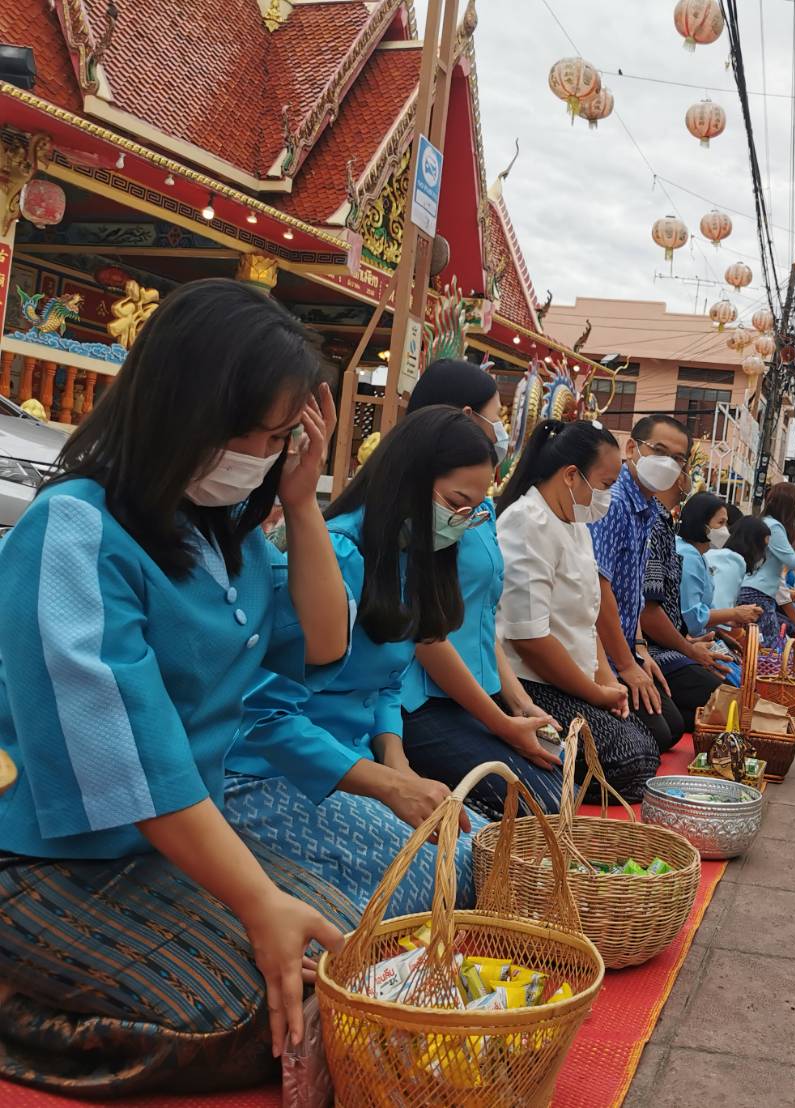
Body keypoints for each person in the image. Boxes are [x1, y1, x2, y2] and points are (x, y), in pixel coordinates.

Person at [0, 280, 353, 1094]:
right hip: (44, 855)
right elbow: (130, 761)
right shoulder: (75, 529)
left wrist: (300, 505)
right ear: (187, 411)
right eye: (260, 436)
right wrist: (258, 901)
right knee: (238, 1014)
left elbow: (325, 643)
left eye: (280, 439)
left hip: (177, 838)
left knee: (339, 959)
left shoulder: (218, 532)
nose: (264, 456)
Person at [226, 406, 495, 918]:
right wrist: (387, 784)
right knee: (452, 871)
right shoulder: (335, 555)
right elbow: (267, 715)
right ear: (412, 479)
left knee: (494, 849)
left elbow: (386, 685)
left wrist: (396, 761)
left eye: (474, 512)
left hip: (358, 765)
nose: (461, 523)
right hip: (277, 773)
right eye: (457, 503)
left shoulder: (411, 555)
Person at [398, 360, 563, 818]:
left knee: (562, 771)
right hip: (424, 700)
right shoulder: (427, 511)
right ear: (468, 418)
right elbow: (427, 636)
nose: (501, 427)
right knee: (537, 804)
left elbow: (482, 617)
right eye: (497, 414)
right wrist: (504, 725)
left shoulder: (480, 508)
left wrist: (520, 704)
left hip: (481, 691)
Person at [496, 420, 661, 801]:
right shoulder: (527, 522)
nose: (607, 496)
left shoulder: (575, 521)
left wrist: (608, 684)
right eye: (605, 485)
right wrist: (593, 692)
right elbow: (530, 639)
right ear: (572, 475)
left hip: (575, 676)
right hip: (533, 682)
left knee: (649, 743)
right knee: (631, 761)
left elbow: (586, 622)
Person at [587, 415, 691, 752]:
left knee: (673, 726)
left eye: (677, 459)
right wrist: (627, 666)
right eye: (659, 450)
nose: (667, 464)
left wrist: (639, 651)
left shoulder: (646, 507)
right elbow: (599, 591)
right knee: (658, 736)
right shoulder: (614, 502)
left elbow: (630, 594)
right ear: (632, 448)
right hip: (598, 651)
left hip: (627, 648)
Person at [641, 465, 730, 733]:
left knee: (725, 696)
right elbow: (646, 609)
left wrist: (691, 643)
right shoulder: (653, 523)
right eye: (721, 523)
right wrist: (688, 648)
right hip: (650, 647)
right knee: (722, 698)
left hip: (656, 643)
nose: (726, 530)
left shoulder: (664, 523)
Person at [675, 491, 762, 650]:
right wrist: (734, 613)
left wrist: (726, 618)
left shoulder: (698, 554)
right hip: (684, 641)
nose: (725, 531)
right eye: (720, 523)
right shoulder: (688, 556)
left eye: (726, 524)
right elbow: (692, 617)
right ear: (701, 524)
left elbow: (702, 611)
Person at [740, 482, 795, 649]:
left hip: (752, 589)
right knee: (768, 647)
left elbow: (775, 558)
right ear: (790, 505)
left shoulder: (764, 522)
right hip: (759, 592)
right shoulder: (775, 527)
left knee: (757, 645)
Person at [709, 513, 770, 611]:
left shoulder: (722, 555)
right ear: (753, 543)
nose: (763, 554)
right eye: (763, 547)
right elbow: (720, 608)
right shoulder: (734, 562)